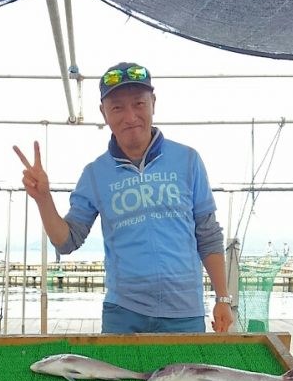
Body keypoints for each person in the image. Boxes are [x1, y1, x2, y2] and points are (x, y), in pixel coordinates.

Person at [13, 62, 233, 334]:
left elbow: (208, 233)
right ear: (103, 113)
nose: (130, 116)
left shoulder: (188, 160)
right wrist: (43, 199)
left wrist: (222, 298)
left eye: (139, 104)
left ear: (153, 103)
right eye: (117, 107)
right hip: (124, 314)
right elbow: (66, 241)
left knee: (185, 379)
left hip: (185, 312)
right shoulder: (95, 174)